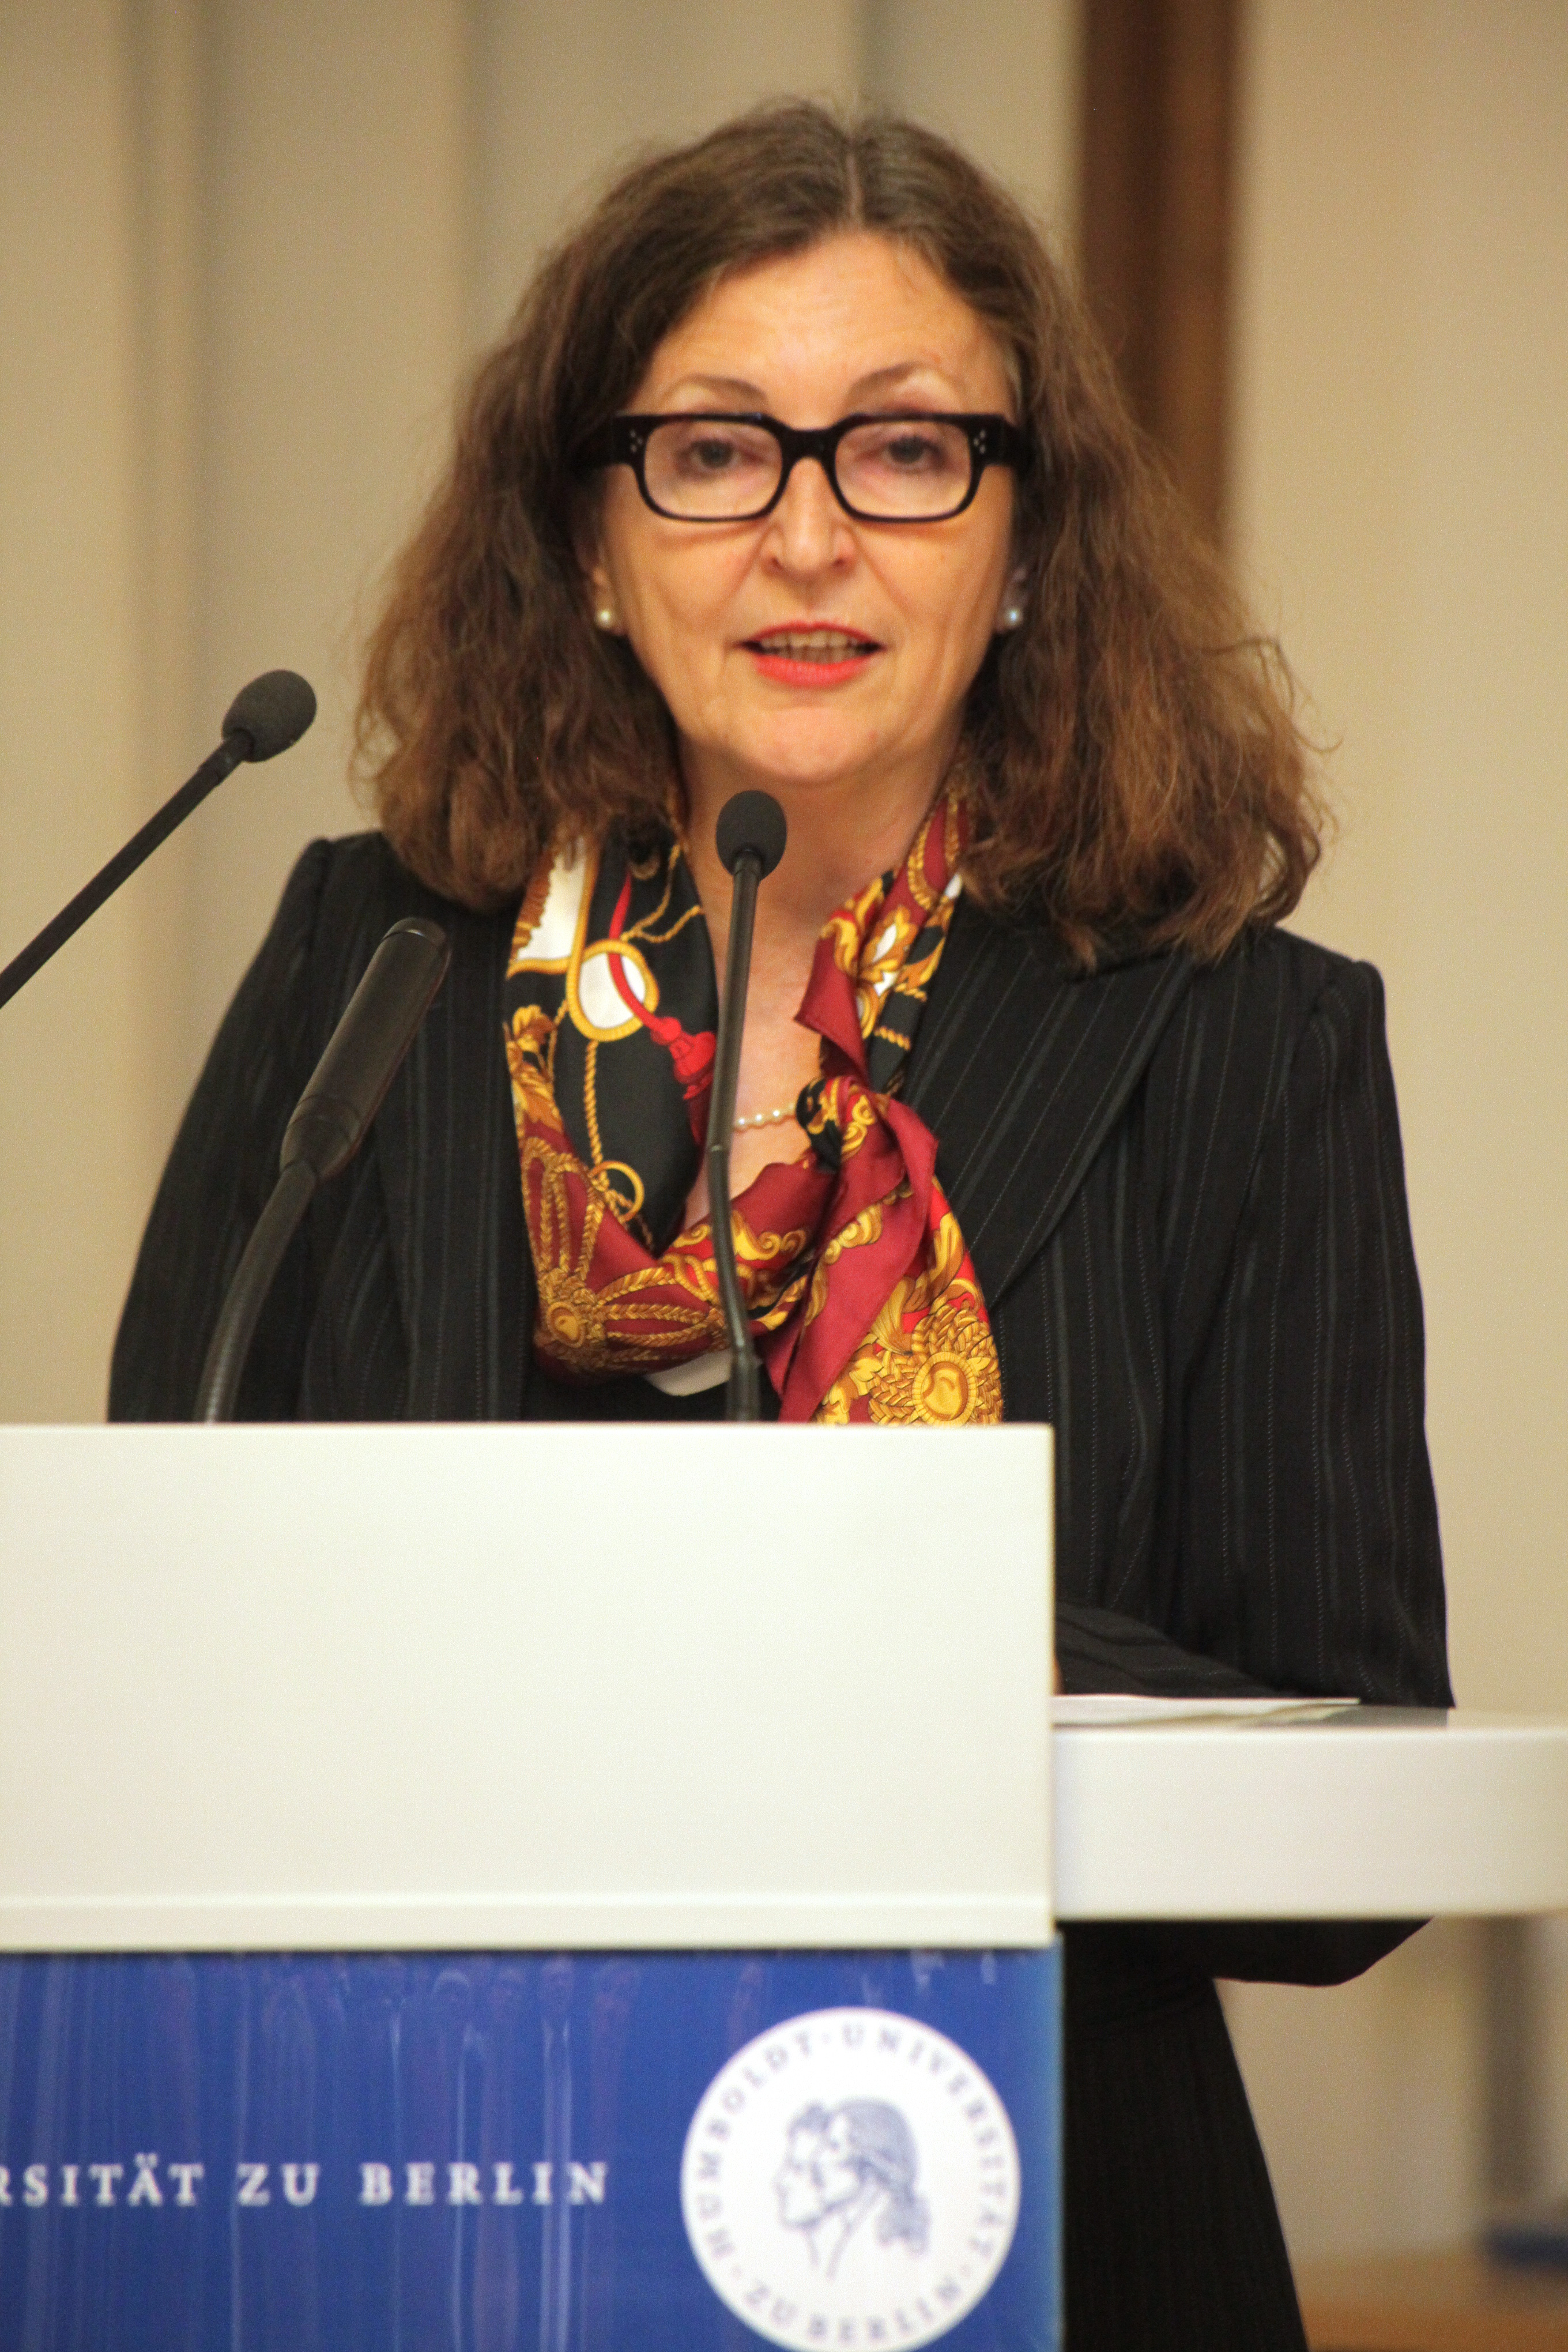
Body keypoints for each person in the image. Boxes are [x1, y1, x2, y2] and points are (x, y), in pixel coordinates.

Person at [110, 101, 1450, 2349]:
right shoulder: (371, 958)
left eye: (906, 452)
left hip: (1029, 2215)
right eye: (715, 453)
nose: (807, 537)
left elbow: (1348, 1821)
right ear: (590, 537)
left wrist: (850, 1648)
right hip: (432, 2208)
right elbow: (156, 1640)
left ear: (1022, 543)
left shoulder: (1245, 1040)